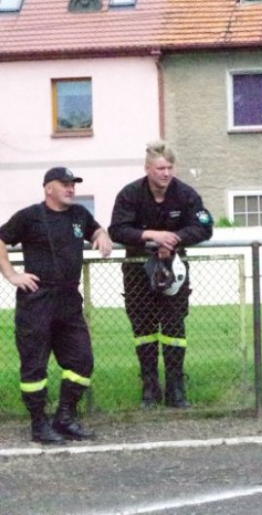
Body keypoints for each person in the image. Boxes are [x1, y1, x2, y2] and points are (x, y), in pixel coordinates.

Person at [0, 167, 113, 444]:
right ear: (48, 188)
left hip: (68, 300)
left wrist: (102, 234)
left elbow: (95, 229)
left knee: (82, 360)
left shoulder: (79, 215)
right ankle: (39, 425)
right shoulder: (30, 216)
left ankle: (64, 418)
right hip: (37, 300)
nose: (71, 188)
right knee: (34, 366)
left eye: (73, 184)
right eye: (64, 184)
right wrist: (12, 274)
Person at [109, 141, 213, 409]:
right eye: (159, 168)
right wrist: (151, 236)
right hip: (137, 272)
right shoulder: (130, 194)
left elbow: (204, 227)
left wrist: (175, 239)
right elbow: (117, 230)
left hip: (174, 271)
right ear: (147, 169)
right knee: (143, 330)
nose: (165, 173)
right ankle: (149, 388)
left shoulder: (186, 194)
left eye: (169, 167)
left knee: (174, 328)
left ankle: (176, 389)